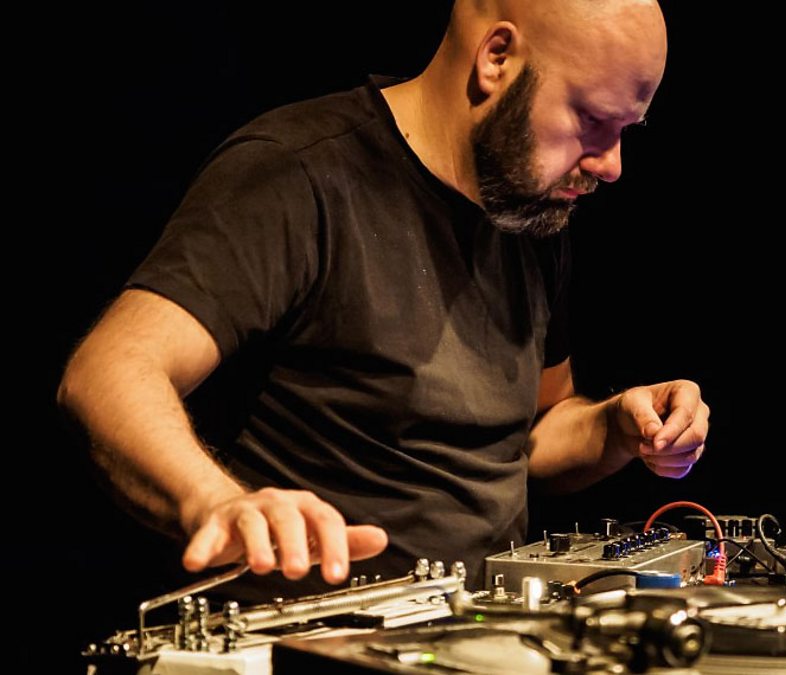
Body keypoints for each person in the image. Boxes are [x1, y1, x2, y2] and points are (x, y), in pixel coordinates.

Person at [57, 0, 708, 594]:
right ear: (496, 58)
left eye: (626, 130)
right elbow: (109, 369)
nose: (612, 165)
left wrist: (617, 426)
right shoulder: (300, 172)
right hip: (310, 638)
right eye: (592, 119)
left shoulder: (528, 208)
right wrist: (216, 502)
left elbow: (536, 431)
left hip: (485, 637)